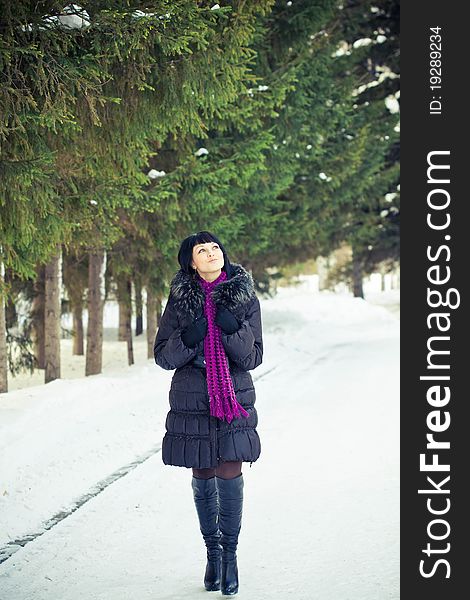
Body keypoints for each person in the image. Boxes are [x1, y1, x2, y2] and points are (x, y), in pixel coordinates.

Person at [153, 231, 263, 596]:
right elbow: (163, 356)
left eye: (215, 247)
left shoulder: (244, 296)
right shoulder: (180, 302)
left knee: (229, 470)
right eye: (203, 250)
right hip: (192, 398)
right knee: (203, 472)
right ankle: (212, 555)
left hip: (233, 395)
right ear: (192, 262)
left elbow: (253, 357)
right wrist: (189, 338)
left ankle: (230, 557)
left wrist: (233, 329)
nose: (212, 253)